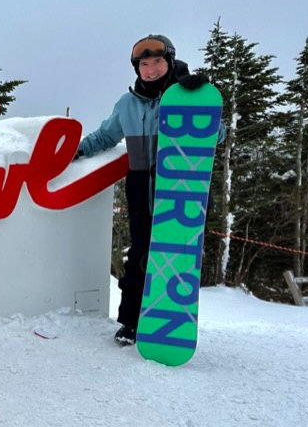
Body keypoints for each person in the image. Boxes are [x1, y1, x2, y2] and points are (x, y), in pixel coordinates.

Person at [75, 34, 217, 347]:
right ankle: (130, 322)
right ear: (137, 68)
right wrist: (76, 151)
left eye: (157, 62)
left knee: (177, 254)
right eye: (144, 64)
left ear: (169, 62)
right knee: (139, 256)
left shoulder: (186, 96)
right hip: (141, 190)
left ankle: (172, 320)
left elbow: (214, 137)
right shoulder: (127, 104)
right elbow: (105, 136)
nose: (150, 69)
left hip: (181, 190)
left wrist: (198, 100)